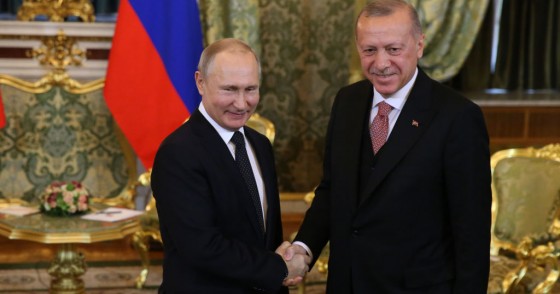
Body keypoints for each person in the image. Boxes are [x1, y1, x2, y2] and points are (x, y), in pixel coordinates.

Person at [286, 0, 492, 293]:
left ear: (419, 45)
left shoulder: (458, 117)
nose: (381, 63)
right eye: (369, 50)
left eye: (394, 49)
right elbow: (333, 190)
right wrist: (303, 248)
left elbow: (471, 233)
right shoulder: (347, 101)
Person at [151, 38, 310, 293]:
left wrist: (282, 262)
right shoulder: (178, 153)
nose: (241, 103)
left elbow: (265, 232)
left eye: (250, 89)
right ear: (200, 82)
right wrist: (277, 268)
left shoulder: (260, 144)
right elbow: (201, 247)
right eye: (229, 89)